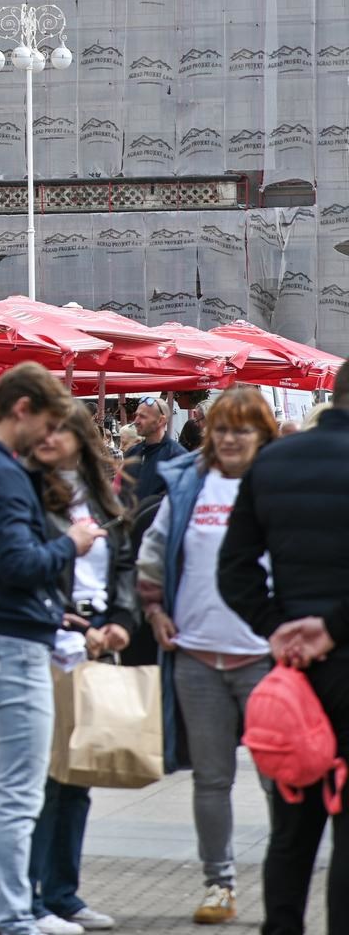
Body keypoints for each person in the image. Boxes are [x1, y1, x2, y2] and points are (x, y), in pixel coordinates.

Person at [0, 362, 99, 935]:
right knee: (17, 791)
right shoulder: (1, 473)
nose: (48, 436)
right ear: (23, 409)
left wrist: (55, 609)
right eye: (47, 421)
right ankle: (11, 913)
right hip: (11, 646)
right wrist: (71, 544)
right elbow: (17, 562)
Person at [134, 387, 277, 926]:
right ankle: (219, 883)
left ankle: (288, 876)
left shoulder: (276, 487)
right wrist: (155, 610)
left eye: (243, 428)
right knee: (211, 779)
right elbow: (153, 552)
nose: (231, 438)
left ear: (262, 434)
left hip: (264, 659)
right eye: (222, 428)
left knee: (279, 778)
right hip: (197, 656)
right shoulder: (192, 485)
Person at [218, 362, 349, 935]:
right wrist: (334, 628)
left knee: (292, 829)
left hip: (293, 673)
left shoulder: (274, 461)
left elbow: (233, 569)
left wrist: (277, 626)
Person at [26, 401, 138, 935]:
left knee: (80, 776)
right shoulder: (31, 496)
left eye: (61, 431)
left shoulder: (105, 496)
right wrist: (75, 626)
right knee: (48, 776)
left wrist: (122, 620)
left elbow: (123, 567)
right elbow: (30, 572)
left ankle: (63, 893)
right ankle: (31, 896)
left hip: (98, 644)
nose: (51, 439)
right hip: (52, 642)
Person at [122, 397, 187, 506]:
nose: (136, 421)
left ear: (161, 420)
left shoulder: (177, 456)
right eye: (136, 415)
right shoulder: (133, 452)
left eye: (142, 416)